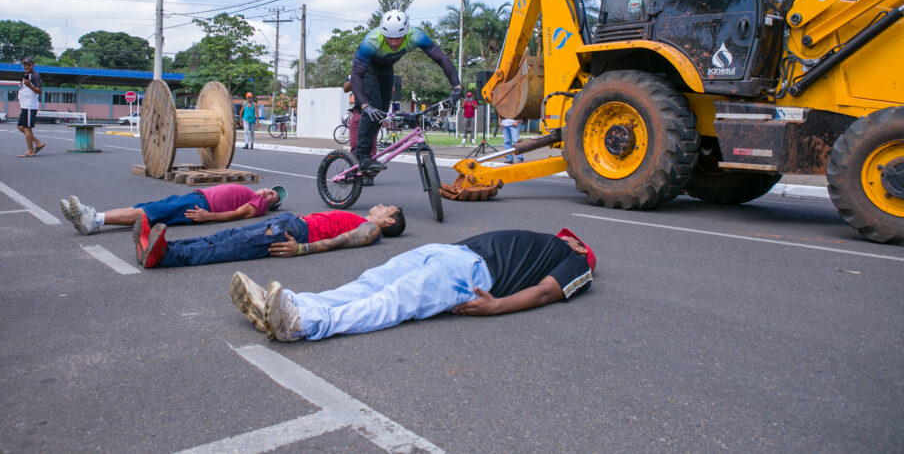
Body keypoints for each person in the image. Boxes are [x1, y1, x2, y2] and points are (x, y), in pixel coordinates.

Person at [232, 227, 595, 342]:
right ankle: (288, 303)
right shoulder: (552, 240)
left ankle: (303, 324)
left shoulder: (579, 262)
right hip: (450, 252)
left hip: (474, 273)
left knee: (394, 301)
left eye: (576, 240)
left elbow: (548, 291)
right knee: (368, 283)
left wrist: (497, 306)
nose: (570, 238)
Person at [134, 203, 406, 276]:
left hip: (292, 234)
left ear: (389, 220)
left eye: (387, 208)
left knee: (230, 246)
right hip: (291, 223)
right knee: (224, 235)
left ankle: (166, 257)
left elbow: (344, 240)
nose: (381, 205)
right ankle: (163, 248)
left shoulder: (372, 230)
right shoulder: (364, 220)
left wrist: (302, 249)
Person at [350, 10, 461, 173]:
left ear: (406, 32)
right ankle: (362, 155)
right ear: (382, 33)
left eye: (398, 38)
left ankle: (367, 156)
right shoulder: (371, 41)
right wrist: (365, 104)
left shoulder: (416, 36)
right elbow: (355, 75)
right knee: (372, 106)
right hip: (368, 68)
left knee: (381, 112)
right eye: (389, 39)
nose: (394, 43)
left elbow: (441, 59)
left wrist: (456, 86)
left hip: (386, 68)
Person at [60, 183, 288, 236]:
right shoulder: (252, 192)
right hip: (195, 197)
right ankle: (92, 217)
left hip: (200, 206)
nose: (268, 193)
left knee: (151, 213)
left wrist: (209, 216)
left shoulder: (257, 204)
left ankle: (93, 219)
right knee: (148, 208)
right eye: (269, 190)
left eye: (272, 197)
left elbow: (238, 214)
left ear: (270, 204)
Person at [16, 56, 45, 157]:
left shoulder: (35, 75)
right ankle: (38, 143)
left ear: (33, 65)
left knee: (27, 128)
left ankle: (31, 151)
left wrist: (29, 86)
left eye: (28, 64)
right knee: (20, 126)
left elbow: (39, 90)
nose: (26, 66)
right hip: (24, 106)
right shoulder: (26, 75)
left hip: (29, 106)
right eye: (25, 65)